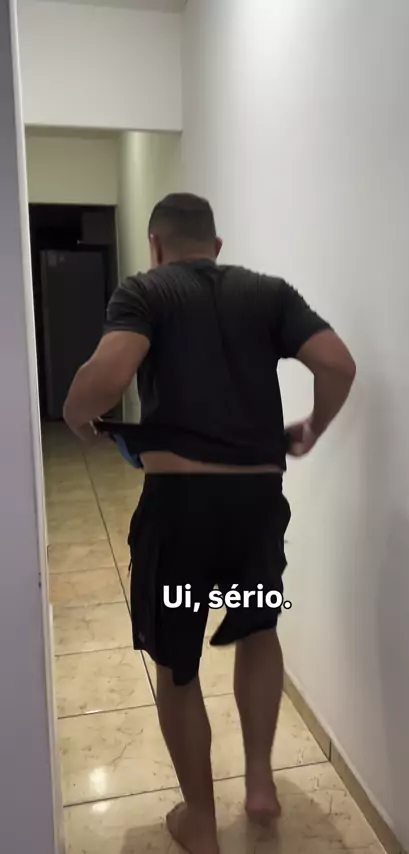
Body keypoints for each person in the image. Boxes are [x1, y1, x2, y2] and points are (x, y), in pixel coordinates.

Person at [63, 193, 356, 854]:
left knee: (177, 661)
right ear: (216, 247)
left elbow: (108, 375)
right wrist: (315, 425)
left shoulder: (145, 291)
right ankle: (260, 784)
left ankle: (199, 818)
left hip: (182, 513)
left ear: (155, 245)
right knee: (258, 626)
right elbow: (338, 363)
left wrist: (78, 416)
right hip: (257, 506)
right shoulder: (270, 293)